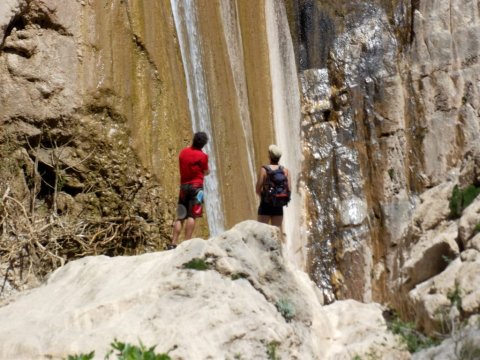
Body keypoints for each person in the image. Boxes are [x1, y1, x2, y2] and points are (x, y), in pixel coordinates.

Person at [171, 132, 210, 248]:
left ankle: (173, 242)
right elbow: (206, 171)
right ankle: (187, 243)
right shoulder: (203, 156)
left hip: (184, 187)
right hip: (196, 188)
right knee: (192, 215)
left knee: (180, 215)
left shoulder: (183, 153)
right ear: (203, 144)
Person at [256, 144, 291, 227]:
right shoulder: (285, 171)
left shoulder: (264, 170)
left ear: (269, 155)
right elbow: (289, 189)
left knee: (261, 234)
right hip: (278, 206)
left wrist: (265, 198)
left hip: (265, 205)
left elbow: (257, 189)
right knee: (275, 235)